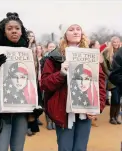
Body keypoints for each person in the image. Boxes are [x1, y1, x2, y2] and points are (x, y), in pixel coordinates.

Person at [0, 12, 42, 151]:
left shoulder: (28, 53)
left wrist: (36, 103)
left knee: (18, 147)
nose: (14, 31)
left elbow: (33, 82)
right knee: (1, 147)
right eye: (10, 28)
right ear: (3, 31)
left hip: (22, 108)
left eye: (17, 28)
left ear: (21, 31)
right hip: (2, 108)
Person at [41, 23, 106, 151]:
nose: (76, 32)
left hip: (85, 110)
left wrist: (99, 106)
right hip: (63, 111)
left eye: (78, 29)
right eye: (71, 29)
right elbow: (44, 84)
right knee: (65, 148)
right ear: (65, 34)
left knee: (81, 148)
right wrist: (60, 74)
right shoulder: (54, 57)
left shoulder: (90, 55)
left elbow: (100, 82)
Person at [101, 36, 121, 124]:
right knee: (115, 99)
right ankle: (112, 118)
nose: (116, 44)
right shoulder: (106, 52)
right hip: (112, 78)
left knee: (119, 99)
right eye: (114, 42)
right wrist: (111, 75)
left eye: (117, 42)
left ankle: (116, 117)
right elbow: (104, 66)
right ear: (111, 43)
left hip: (120, 78)